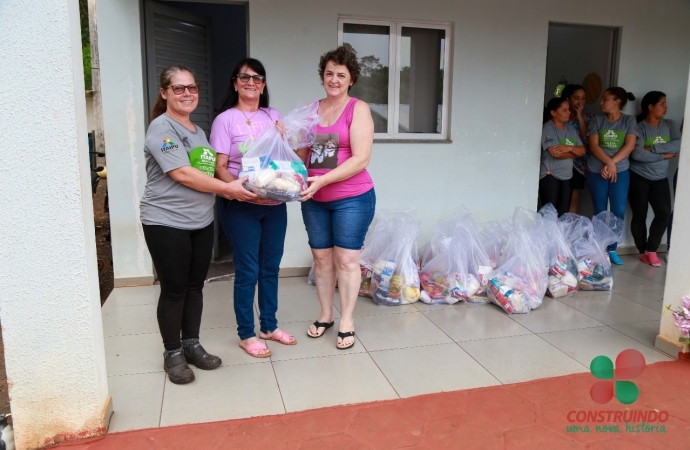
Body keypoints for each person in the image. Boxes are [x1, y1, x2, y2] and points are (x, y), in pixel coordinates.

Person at [141, 65, 255, 384]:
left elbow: (207, 173)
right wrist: (229, 189)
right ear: (164, 92)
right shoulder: (161, 128)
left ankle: (191, 344)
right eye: (179, 88)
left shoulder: (197, 131)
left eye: (192, 87)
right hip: (166, 222)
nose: (187, 93)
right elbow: (183, 174)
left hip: (200, 221)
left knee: (195, 287)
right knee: (175, 290)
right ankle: (172, 352)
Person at [210, 58, 296, 359]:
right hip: (241, 206)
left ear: (264, 84)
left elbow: (283, 159)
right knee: (248, 270)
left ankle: (268, 327)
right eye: (244, 78)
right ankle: (246, 334)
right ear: (235, 83)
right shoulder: (225, 120)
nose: (251, 83)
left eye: (257, 78)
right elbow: (220, 168)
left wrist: (287, 136)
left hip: (274, 204)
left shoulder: (273, 116)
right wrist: (240, 191)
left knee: (271, 268)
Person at [297, 46, 376, 350]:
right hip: (314, 198)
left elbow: (361, 159)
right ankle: (326, 314)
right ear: (323, 76)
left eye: (340, 75)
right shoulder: (310, 110)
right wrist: (285, 141)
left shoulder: (359, 109)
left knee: (346, 260)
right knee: (321, 258)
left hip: (351, 197)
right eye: (329, 73)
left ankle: (347, 320)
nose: (334, 79)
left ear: (351, 79)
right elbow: (302, 154)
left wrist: (322, 181)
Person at [628, 91, 680, 266]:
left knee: (664, 213)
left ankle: (651, 249)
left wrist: (653, 148)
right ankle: (644, 251)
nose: (666, 107)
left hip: (660, 178)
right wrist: (663, 155)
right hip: (638, 176)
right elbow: (637, 153)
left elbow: (678, 144)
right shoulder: (638, 126)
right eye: (662, 104)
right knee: (639, 215)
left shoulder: (670, 125)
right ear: (651, 107)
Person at [587, 87, 637, 265]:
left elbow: (629, 146)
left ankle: (612, 248)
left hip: (620, 171)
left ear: (617, 102)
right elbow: (593, 146)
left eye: (605, 99)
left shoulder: (629, 121)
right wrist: (609, 163)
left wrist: (612, 163)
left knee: (618, 211)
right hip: (596, 170)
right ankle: (599, 249)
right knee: (600, 210)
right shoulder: (596, 120)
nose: (601, 103)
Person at [539, 97, 586, 216]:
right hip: (551, 175)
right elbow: (556, 153)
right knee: (550, 213)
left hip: (567, 176)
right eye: (564, 110)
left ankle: (558, 235)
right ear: (553, 112)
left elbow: (583, 151)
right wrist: (573, 154)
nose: (569, 112)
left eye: (568, 109)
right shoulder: (548, 128)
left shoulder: (570, 128)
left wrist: (570, 148)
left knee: (563, 213)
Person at [560, 84, 594, 213]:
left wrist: (579, 117)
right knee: (559, 197)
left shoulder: (589, 117)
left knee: (573, 198)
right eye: (576, 98)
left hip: (579, 164)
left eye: (583, 98)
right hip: (560, 160)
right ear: (568, 99)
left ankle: (570, 231)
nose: (580, 102)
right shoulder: (561, 116)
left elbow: (586, 138)